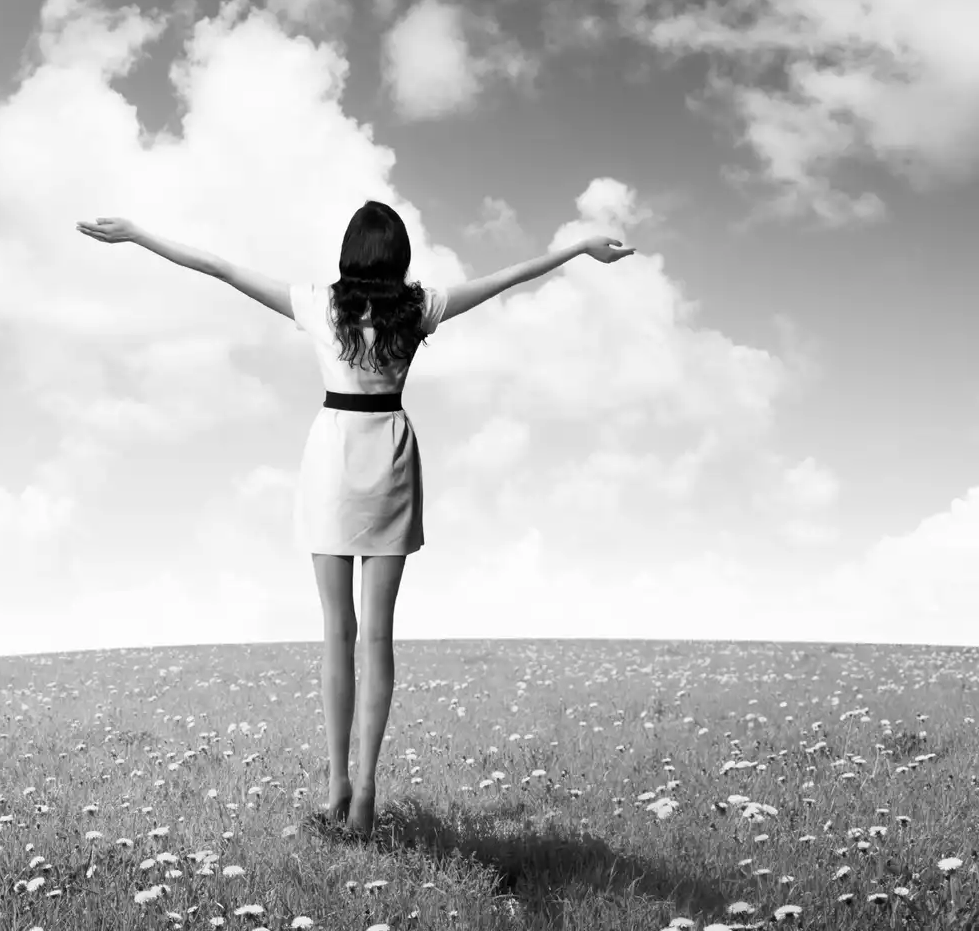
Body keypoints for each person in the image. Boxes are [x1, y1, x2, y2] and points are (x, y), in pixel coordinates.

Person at [76, 202, 635, 839]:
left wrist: (137, 234)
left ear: (349, 254)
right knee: (378, 637)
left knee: (336, 633)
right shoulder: (418, 309)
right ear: (398, 258)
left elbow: (218, 268)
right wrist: (579, 247)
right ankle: (366, 785)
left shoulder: (320, 305)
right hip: (391, 456)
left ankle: (336, 782)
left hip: (332, 460)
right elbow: (511, 276)